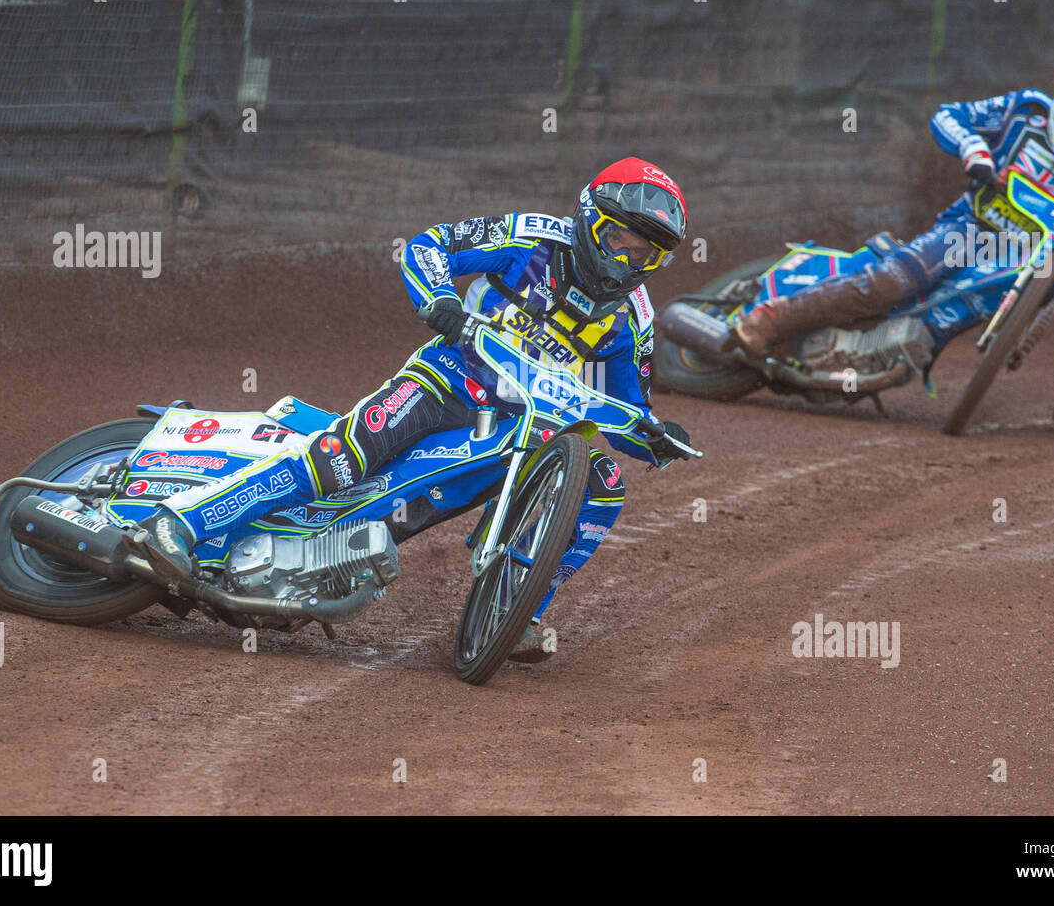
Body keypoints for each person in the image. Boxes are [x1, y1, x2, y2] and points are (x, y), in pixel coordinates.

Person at [123, 158, 693, 661]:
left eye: (648, 254)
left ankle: (522, 602)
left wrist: (657, 436)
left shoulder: (635, 318)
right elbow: (427, 245)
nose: (630, 261)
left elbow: (626, 410)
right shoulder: (533, 237)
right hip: (447, 380)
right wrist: (439, 299)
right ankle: (177, 523)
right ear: (591, 218)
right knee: (342, 460)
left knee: (605, 483)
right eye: (622, 240)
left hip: (520, 429)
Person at [732, 59, 1054, 436]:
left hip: (1034, 264)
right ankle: (770, 320)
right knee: (893, 282)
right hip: (971, 230)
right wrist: (975, 151)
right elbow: (949, 116)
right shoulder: (1025, 111)